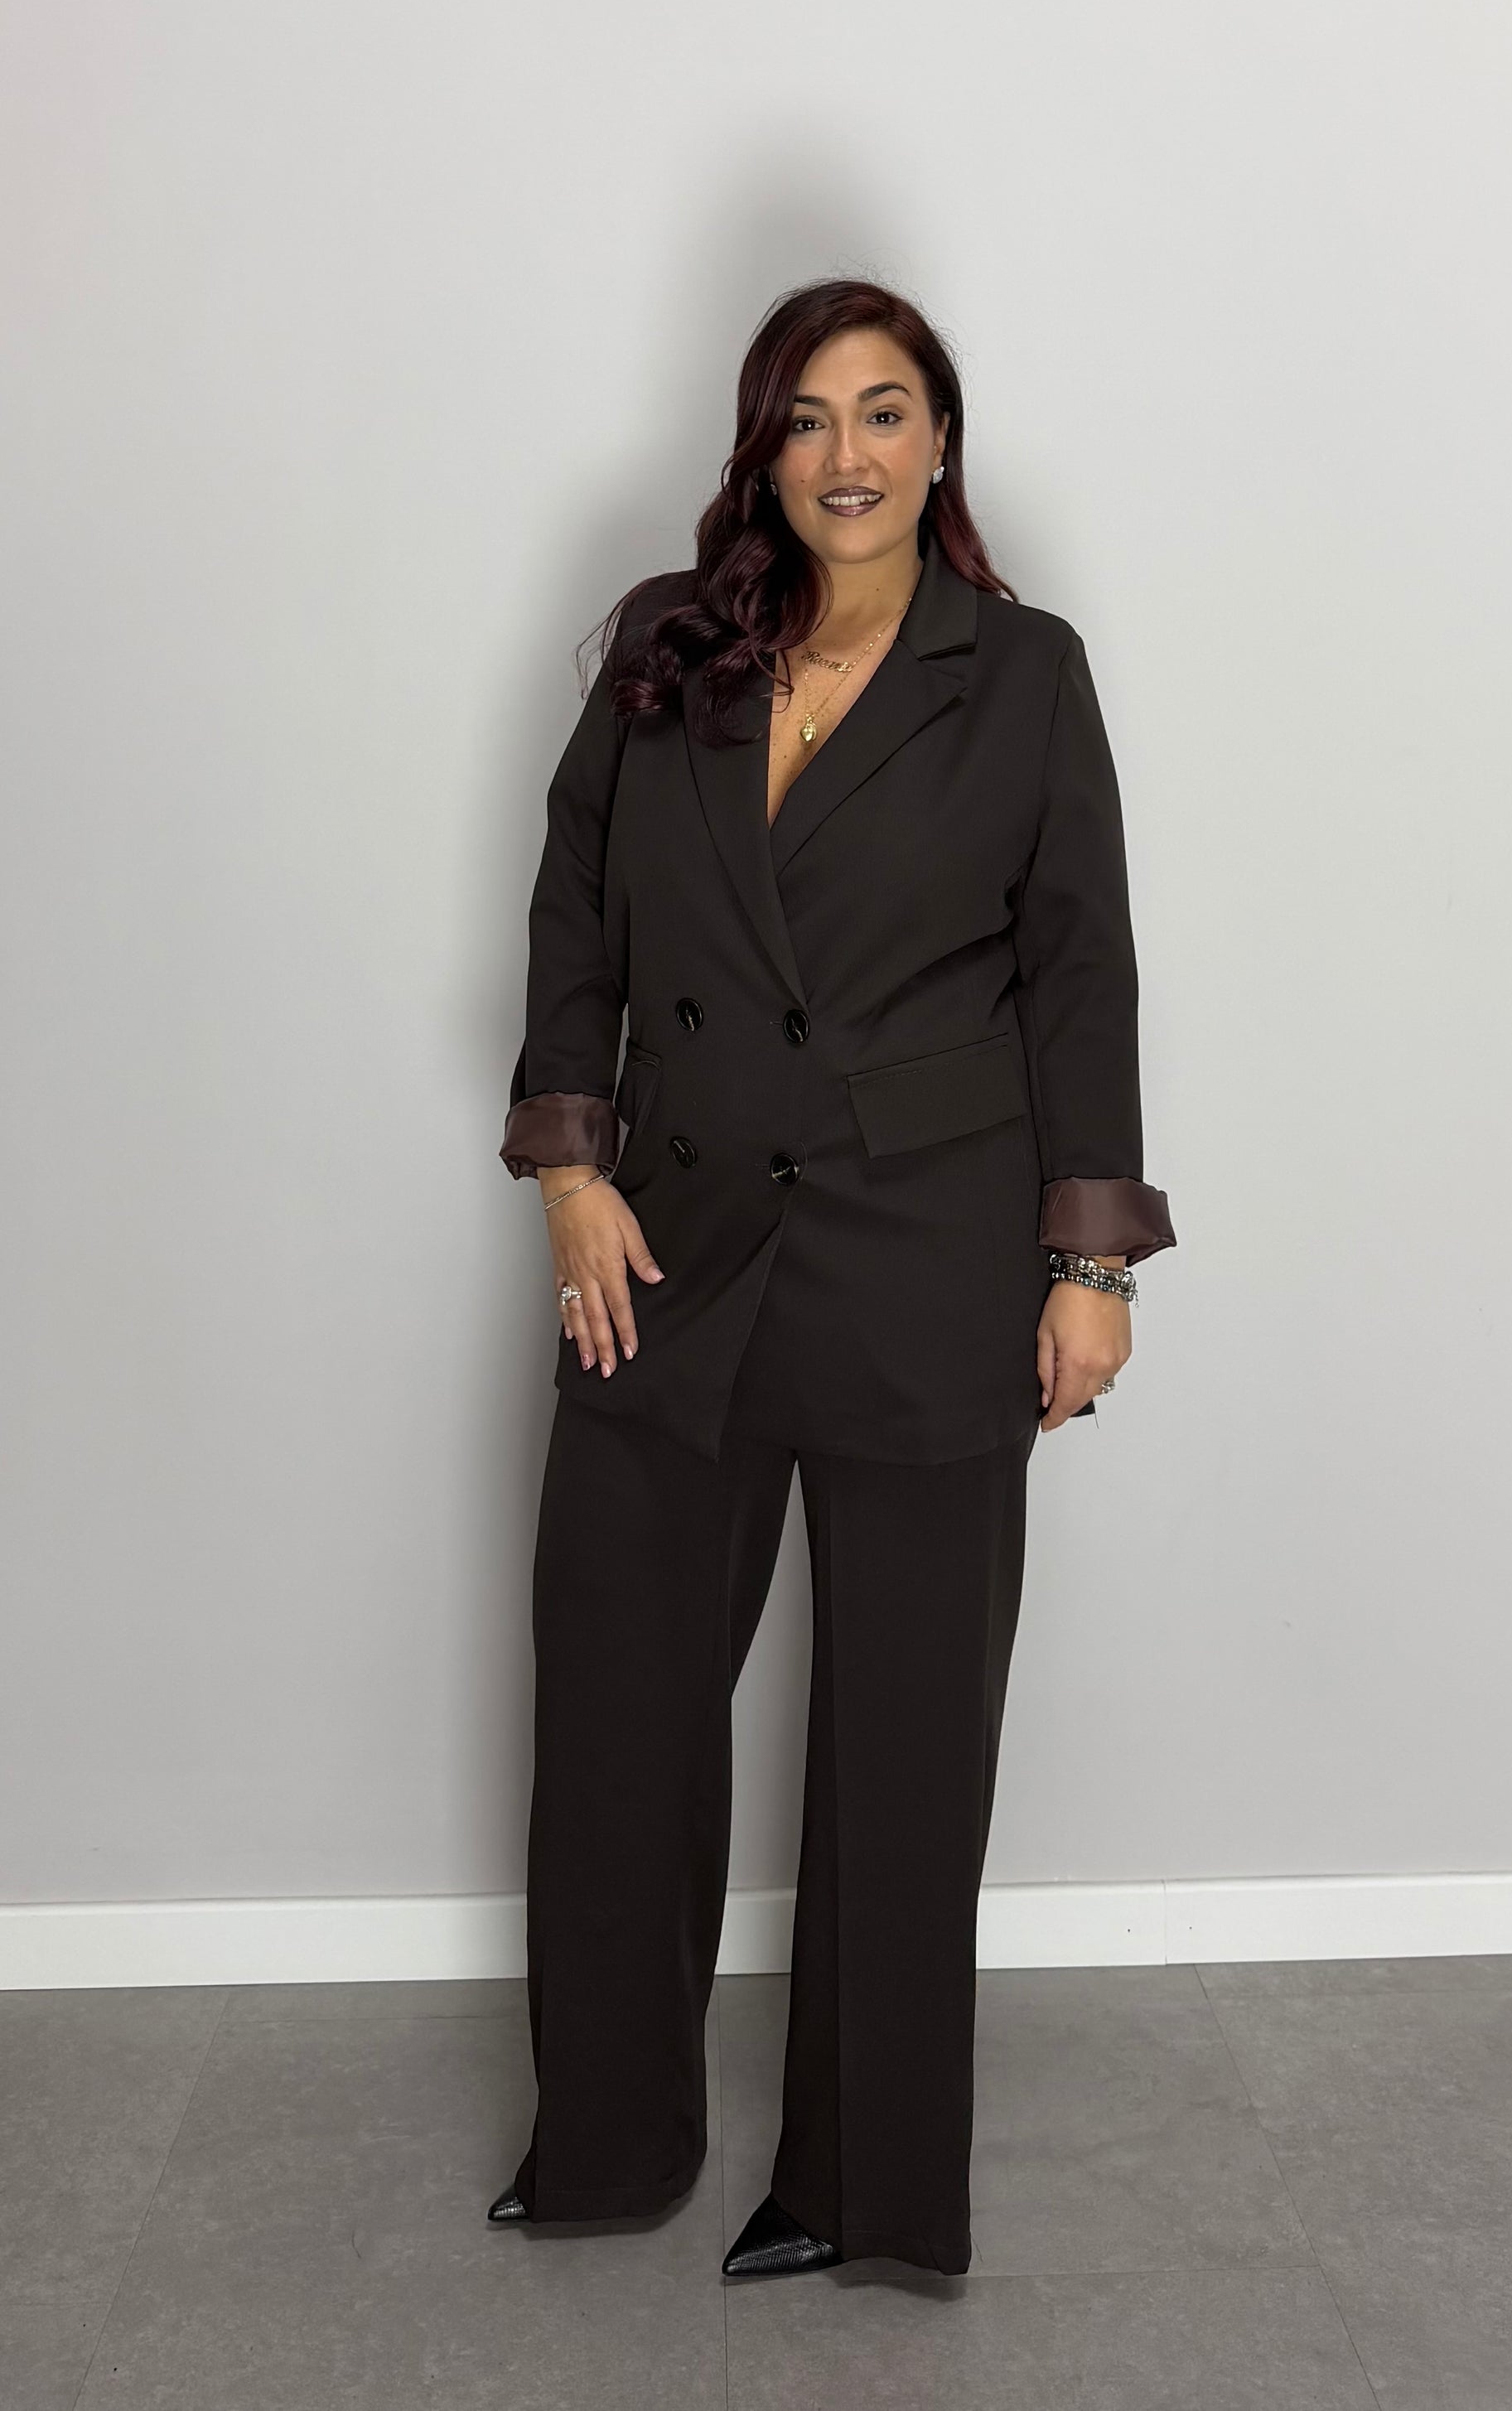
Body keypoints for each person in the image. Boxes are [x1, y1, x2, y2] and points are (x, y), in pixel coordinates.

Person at [486, 278, 1175, 2278]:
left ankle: (862, 2190)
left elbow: (1081, 973)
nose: (847, 454)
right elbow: (570, 917)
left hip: (924, 1249)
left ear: (940, 441)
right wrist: (568, 1168)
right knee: (617, 1704)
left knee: (903, 1737)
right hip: (671, 1243)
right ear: (762, 450)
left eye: (885, 411)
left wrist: (1090, 1261)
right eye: (807, 417)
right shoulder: (667, 647)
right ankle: (609, 2136)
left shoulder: (1020, 672)